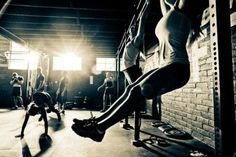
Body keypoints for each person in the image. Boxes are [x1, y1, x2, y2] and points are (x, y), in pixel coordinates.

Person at [71, 0, 207, 142]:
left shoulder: (181, 11)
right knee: (131, 88)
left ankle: (99, 129)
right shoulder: (170, 13)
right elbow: (163, 3)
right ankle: (96, 122)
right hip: (166, 66)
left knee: (137, 92)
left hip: (177, 68)